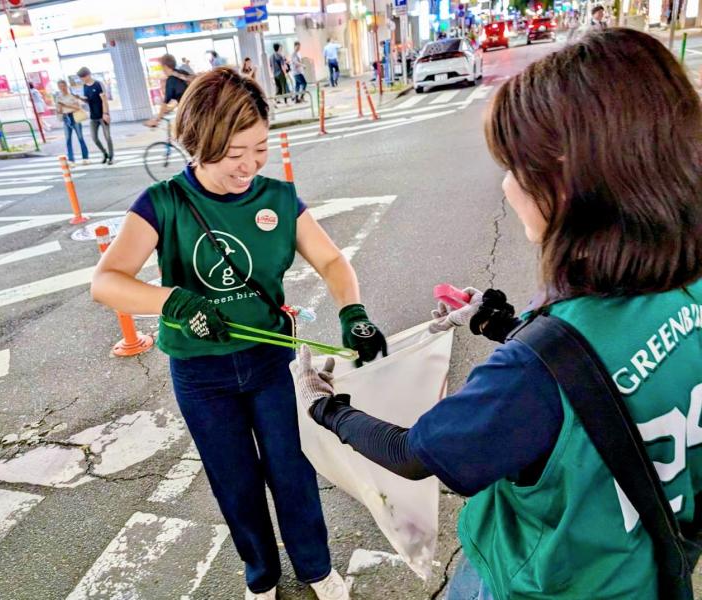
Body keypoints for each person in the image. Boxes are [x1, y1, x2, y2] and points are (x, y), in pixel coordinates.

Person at [292, 29, 702, 600]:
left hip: (539, 579)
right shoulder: (688, 293)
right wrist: (497, 324)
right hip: (642, 571)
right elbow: (596, 382)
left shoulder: (528, 376)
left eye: (515, 167)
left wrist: (325, 406)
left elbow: (415, 454)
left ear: (567, 182)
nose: (507, 187)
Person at [91, 67, 387, 600]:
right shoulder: (162, 202)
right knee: (236, 483)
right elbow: (106, 282)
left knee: (291, 472)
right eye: (234, 154)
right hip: (200, 374)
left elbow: (331, 260)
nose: (249, 166)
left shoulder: (277, 197)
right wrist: (174, 301)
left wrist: (353, 313)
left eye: (259, 149)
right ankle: (261, 579)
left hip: (269, 364)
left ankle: (316, 570)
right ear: (200, 142)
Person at [77, 67, 114, 165]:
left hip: (103, 115)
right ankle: (104, 153)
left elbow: (104, 100)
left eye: (83, 77)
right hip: (93, 116)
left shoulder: (98, 84)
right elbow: (88, 100)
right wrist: (80, 98)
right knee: (94, 138)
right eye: (81, 78)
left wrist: (105, 114)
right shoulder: (85, 86)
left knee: (107, 137)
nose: (82, 79)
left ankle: (111, 157)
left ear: (88, 75)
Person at [145, 54, 192, 129]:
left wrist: (157, 120)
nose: (162, 70)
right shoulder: (181, 73)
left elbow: (165, 104)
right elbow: (184, 94)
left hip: (191, 113)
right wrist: (172, 108)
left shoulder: (171, 81)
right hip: (195, 108)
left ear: (165, 66)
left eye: (162, 67)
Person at [54, 80, 89, 165]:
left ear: (66, 86)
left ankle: (85, 158)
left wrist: (65, 105)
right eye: (60, 86)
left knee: (80, 138)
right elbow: (59, 110)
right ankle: (71, 160)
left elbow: (78, 108)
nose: (62, 88)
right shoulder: (58, 97)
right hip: (66, 118)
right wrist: (59, 108)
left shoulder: (72, 96)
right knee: (68, 140)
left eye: (63, 86)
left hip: (74, 117)